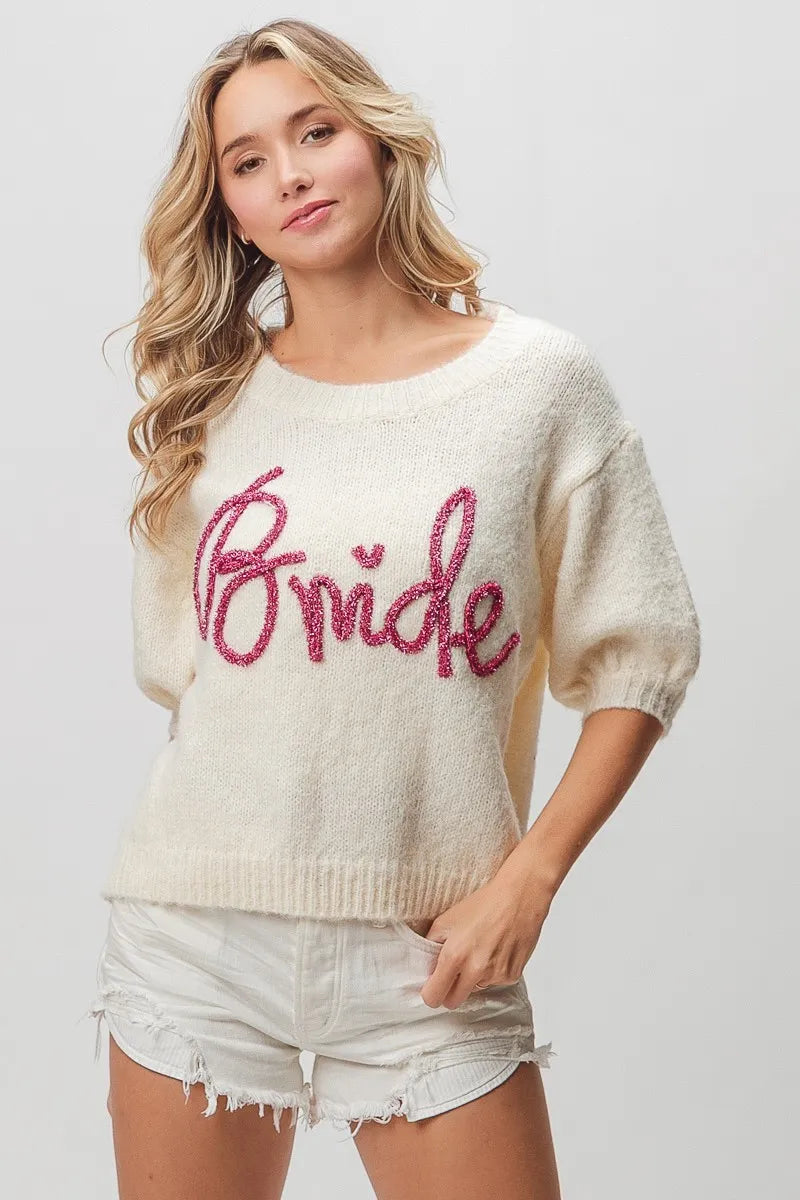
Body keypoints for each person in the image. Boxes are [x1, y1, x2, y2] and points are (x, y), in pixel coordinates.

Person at [83, 17, 701, 1200]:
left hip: (433, 959)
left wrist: (527, 878)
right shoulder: (210, 404)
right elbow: (177, 670)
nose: (290, 174)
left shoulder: (535, 383)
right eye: (248, 161)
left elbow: (643, 654)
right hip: (196, 937)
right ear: (231, 211)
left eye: (314, 132)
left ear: (375, 139)